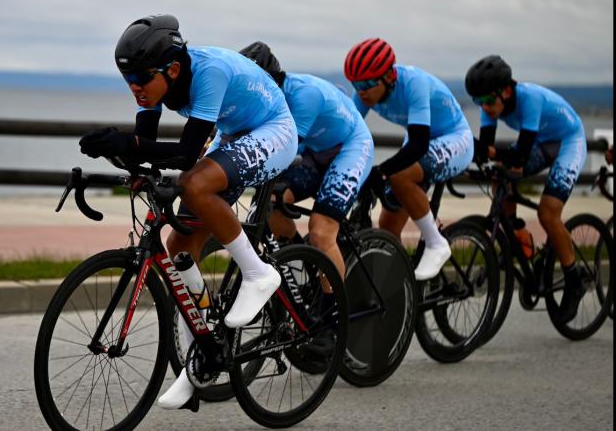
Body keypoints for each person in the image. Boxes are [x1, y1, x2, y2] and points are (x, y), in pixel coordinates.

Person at [78, 15, 297, 409]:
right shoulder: (154, 83)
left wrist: (129, 145)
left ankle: (259, 273)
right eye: (128, 81)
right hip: (234, 134)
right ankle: (198, 361)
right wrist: (121, 153)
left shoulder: (208, 71)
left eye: (142, 81)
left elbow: (184, 153)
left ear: (173, 69)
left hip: (273, 131)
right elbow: (145, 145)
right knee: (180, 244)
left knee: (196, 185)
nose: (135, 89)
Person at [240, 41, 374, 358]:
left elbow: (282, 149)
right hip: (316, 153)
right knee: (271, 203)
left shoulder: (303, 94)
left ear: (274, 79)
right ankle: (305, 266)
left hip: (349, 149)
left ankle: (331, 321)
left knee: (321, 230)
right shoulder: (264, 100)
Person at [465, 54, 589, 324]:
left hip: (569, 141)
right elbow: (488, 151)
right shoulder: (492, 107)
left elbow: (520, 153)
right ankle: (515, 232)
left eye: (487, 100)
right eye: (478, 102)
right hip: (544, 142)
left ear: (507, 91)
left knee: (548, 213)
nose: (484, 108)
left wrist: (488, 151)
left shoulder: (529, 98)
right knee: (500, 172)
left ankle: (574, 278)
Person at [344, 38, 474, 280]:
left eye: (368, 83)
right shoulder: (364, 94)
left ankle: (437, 243)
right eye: (356, 84)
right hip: (421, 139)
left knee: (399, 175)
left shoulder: (414, 83)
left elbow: (418, 145)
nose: (362, 90)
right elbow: (348, 133)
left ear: (388, 76)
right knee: (388, 226)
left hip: (454, 138)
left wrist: (381, 172)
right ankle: (400, 291)